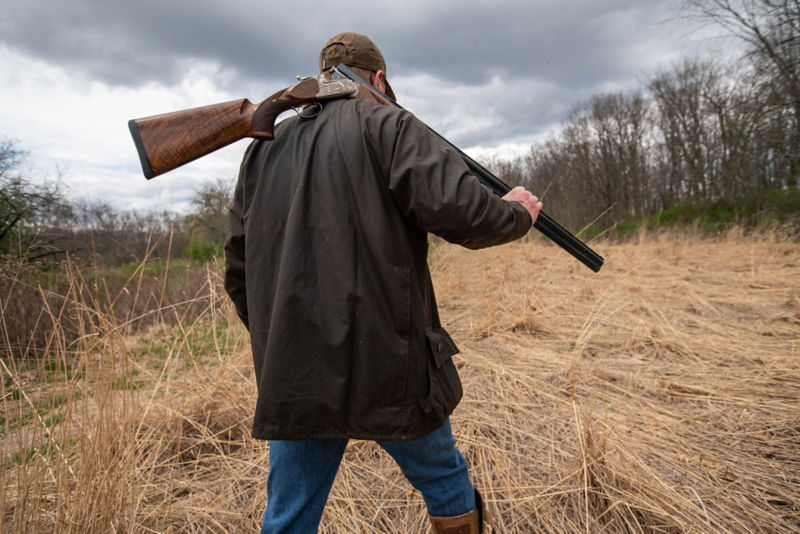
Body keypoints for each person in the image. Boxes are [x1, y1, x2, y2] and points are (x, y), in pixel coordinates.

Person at [224, 32, 543, 534]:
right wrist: (516, 213)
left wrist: (281, 337)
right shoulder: (389, 123)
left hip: (298, 367)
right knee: (443, 480)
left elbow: (238, 268)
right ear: (378, 79)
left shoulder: (262, 150)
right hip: (389, 359)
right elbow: (460, 210)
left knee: (287, 517)